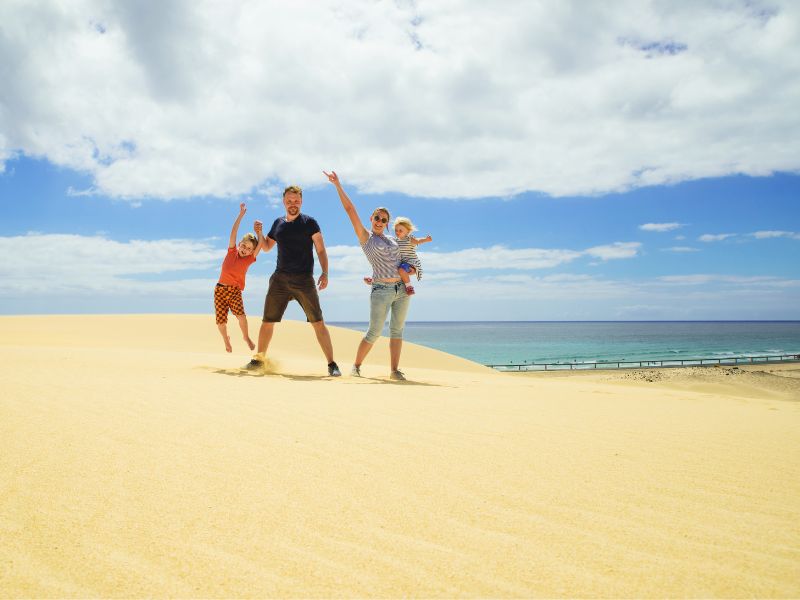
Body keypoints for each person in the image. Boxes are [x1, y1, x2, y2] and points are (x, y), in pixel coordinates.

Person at [244, 185, 341, 377]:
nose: (292, 204)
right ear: (283, 202)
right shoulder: (278, 223)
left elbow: (320, 249)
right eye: (289, 201)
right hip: (280, 279)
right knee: (267, 321)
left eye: (296, 200)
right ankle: (258, 360)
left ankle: (332, 364)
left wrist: (325, 272)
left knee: (318, 322)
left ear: (301, 201)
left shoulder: (310, 223)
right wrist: (260, 233)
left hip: (304, 280)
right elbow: (266, 247)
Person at [324, 170, 411, 381]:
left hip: (402, 290)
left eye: (384, 219)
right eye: (377, 218)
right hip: (381, 291)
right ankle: (356, 366)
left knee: (397, 331)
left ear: (388, 223)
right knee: (374, 332)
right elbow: (349, 209)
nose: (380, 221)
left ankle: (394, 370)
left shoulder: (393, 240)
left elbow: (401, 260)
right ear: (371, 219)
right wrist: (338, 185)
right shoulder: (366, 237)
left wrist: (410, 269)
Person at [214, 203, 261, 352]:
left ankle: (246, 337)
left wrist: (259, 233)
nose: (245, 250)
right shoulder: (231, 251)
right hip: (220, 291)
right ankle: (226, 339)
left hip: (234, 291)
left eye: (249, 249)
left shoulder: (249, 259)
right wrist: (241, 215)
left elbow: (259, 247)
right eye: (244, 246)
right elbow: (233, 232)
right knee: (221, 322)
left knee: (241, 317)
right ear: (239, 244)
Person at [365, 216, 432, 295]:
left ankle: (409, 287)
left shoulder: (409, 239)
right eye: (396, 230)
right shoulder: (395, 241)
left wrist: (426, 239)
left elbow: (417, 241)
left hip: (411, 263)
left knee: (400, 270)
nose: (398, 232)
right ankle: (374, 280)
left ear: (407, 231)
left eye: (400, 230)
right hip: (401, 264)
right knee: (392, 269)